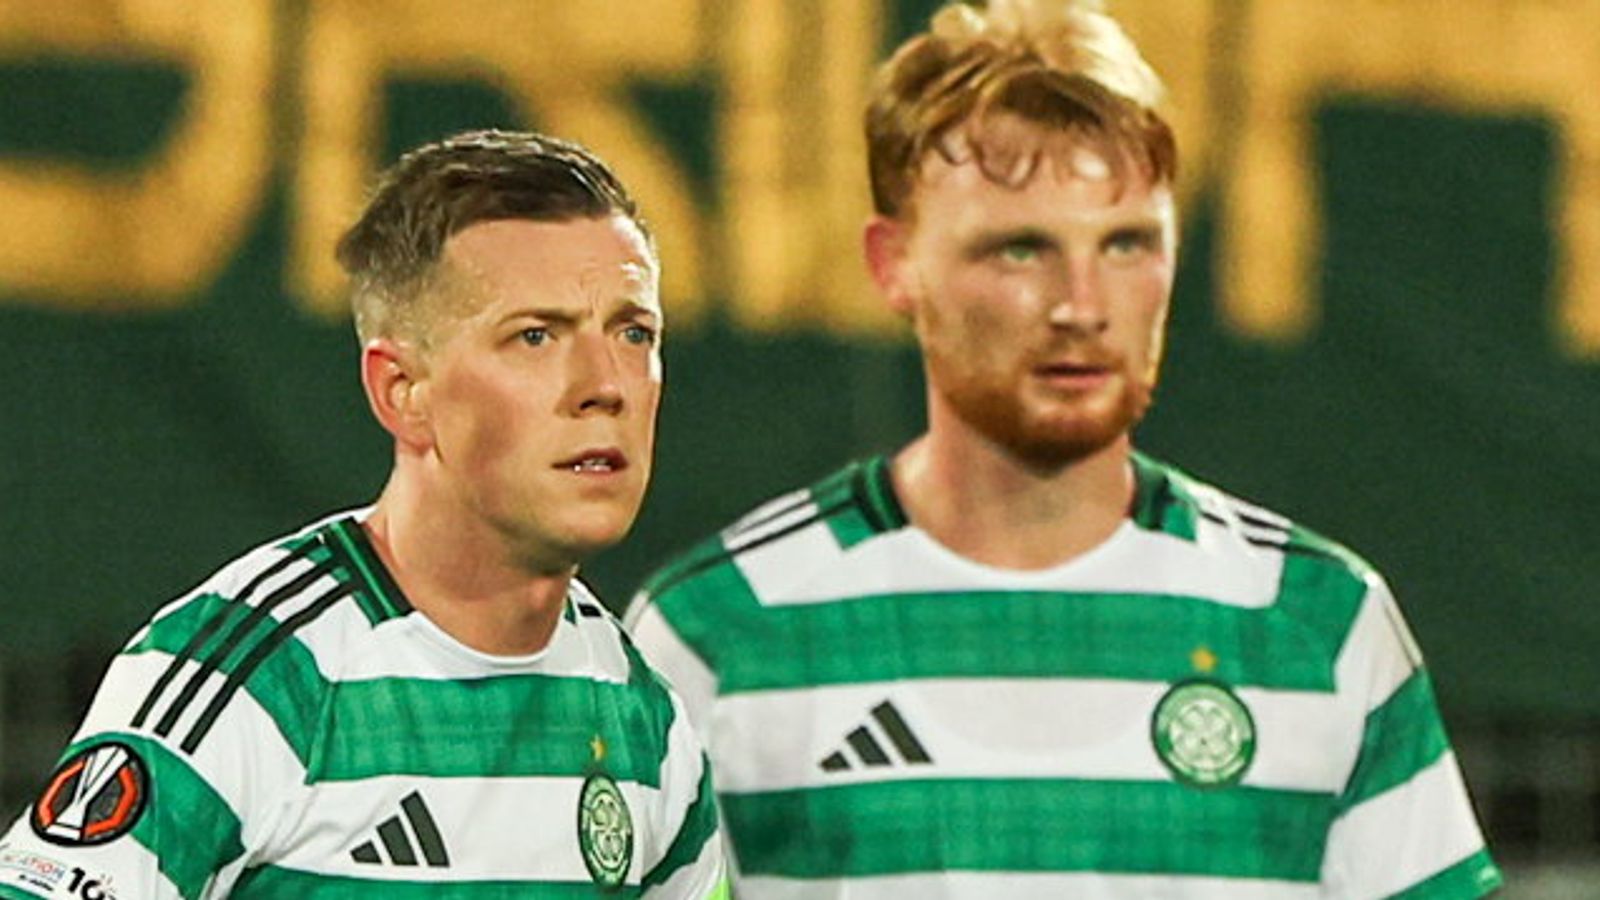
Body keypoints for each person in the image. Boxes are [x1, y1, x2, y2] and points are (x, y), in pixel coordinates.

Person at [624, 2, 1501, 897]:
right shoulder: (714, 636)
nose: (1082, 303)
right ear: (894, 264)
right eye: (1020, 250)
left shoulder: (1322, 624)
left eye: (1126, 244)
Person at [0, 130, 726, 899]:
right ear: (402, 391)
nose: (604, 385)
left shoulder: (648, 725)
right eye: (536, 336)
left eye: (633, 332)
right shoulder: (253, 679)